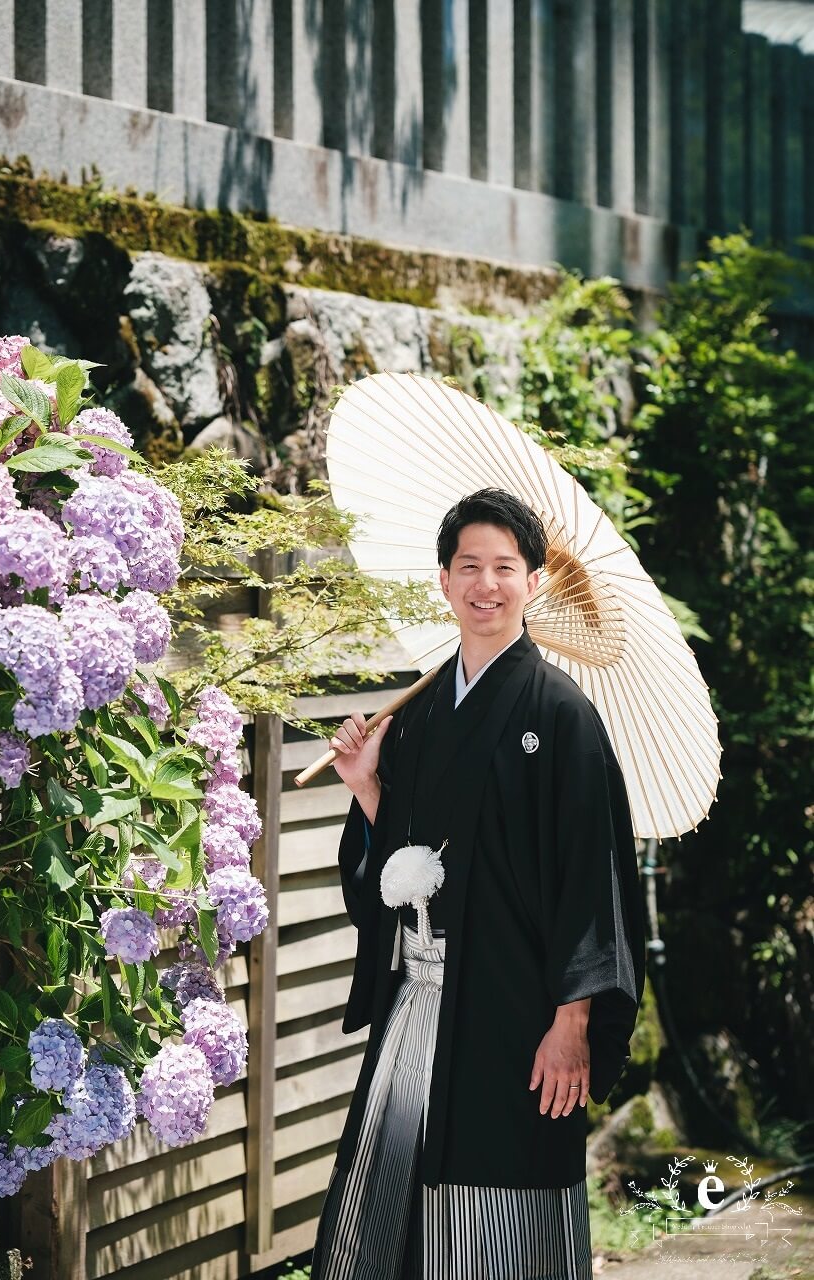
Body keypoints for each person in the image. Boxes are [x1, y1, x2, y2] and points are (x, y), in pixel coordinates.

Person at [310, 488, 645, 1280]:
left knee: (499, 1207)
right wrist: (367, 789)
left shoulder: (562, 717)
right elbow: (399, 867)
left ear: (533, 581)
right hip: (420, 1001)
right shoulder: (422, 715)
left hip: (516, 1009)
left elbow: (592, 881)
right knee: (392, 1201)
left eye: (504, 567)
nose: (484, 586)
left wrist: (572, 1024)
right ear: (443, 581)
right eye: (469, 567)